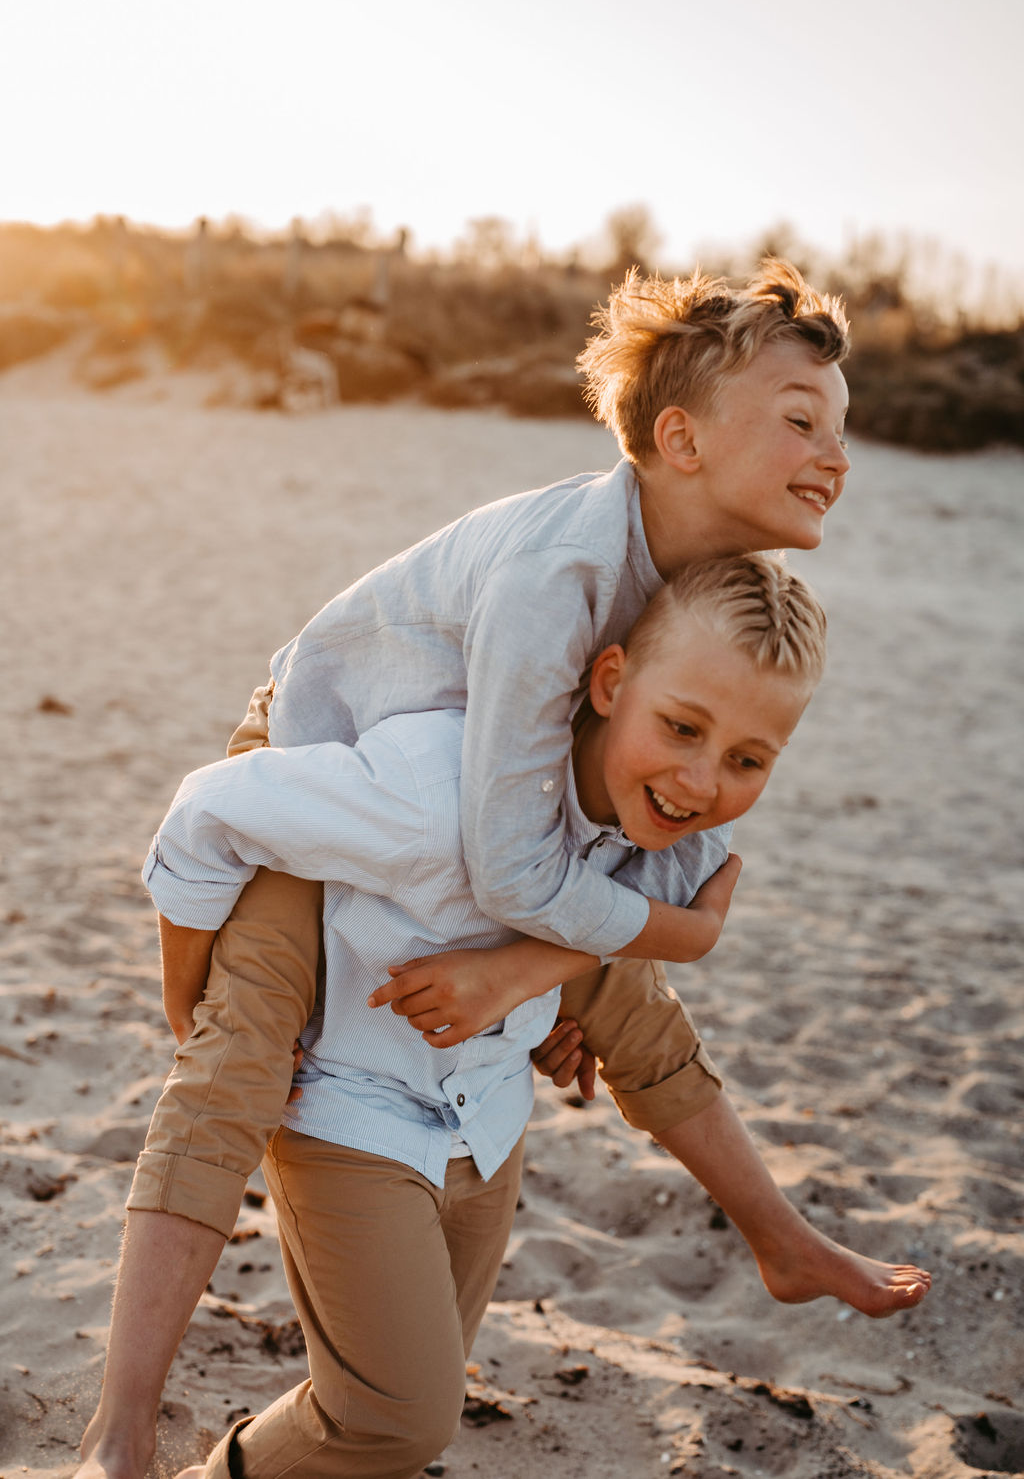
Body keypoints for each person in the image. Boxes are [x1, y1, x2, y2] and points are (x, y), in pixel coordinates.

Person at [78, 260, 857, 1479]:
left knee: (608, 970)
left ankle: (776, 1233)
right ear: (680, 438)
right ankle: (122, 1439)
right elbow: (506, 867)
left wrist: (551, 971)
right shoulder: (561, 579)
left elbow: (657, 849)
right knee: (240, 1064)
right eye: (802, 421)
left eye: (841, 428)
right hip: (316, 758)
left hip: (466, 808)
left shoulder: (696, 592)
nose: (835, 455)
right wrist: (642, 947)